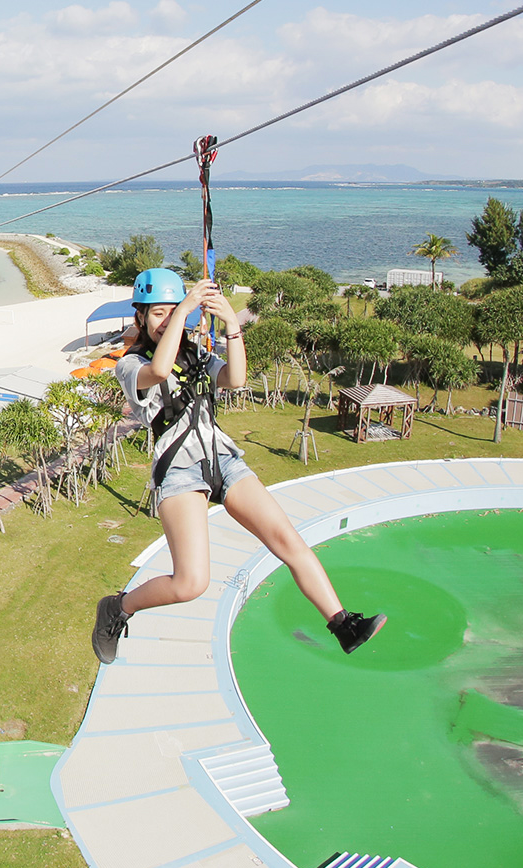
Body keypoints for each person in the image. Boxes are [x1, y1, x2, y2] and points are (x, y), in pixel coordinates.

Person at [92, 268, 385, 664]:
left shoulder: (196, 354)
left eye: (171, 311)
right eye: (157, 313)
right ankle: (118, 607)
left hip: (221, 456)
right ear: (140, 318)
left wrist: (232, 322)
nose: (165, 320)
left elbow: (237, 377)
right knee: (190, 583)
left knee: (288, 541)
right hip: (179, 468)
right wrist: (186, 311)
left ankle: (342, 624)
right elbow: (159, 371)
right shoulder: (129, 364)